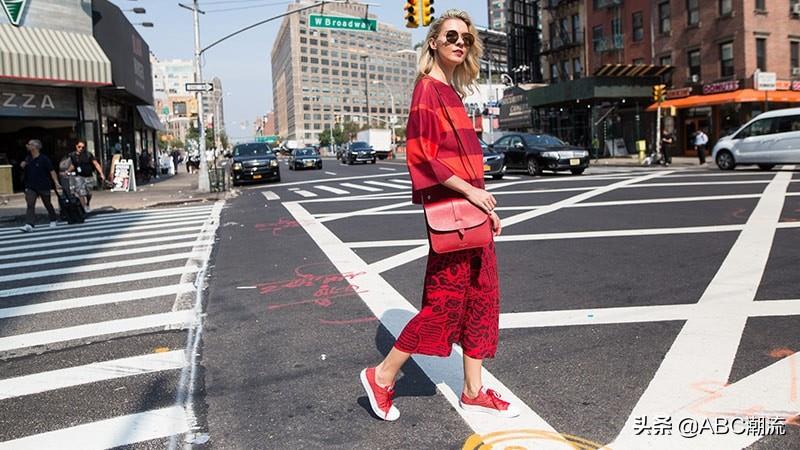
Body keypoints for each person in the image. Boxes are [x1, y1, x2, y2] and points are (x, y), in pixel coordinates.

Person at [359, 9, 517, 422]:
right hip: (454, 217)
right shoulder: (428, 90)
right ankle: (382, 375)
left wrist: (483, 207)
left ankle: (473, 390)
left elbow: (463, 161)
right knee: (443, 305)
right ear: (433, 42)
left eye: (466, 38)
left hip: (471, 214)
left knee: (482, 298)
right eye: (451, 36)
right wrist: (472, 194)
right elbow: (424, 157)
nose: (459, 43)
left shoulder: (452, 92)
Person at [19, 139, 61, 232]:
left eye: (29, 144)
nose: (27, 146)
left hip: (43, 184)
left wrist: (56, 182)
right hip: (30, 185)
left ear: (35, 147)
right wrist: (23, 165)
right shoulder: (28, 158)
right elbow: (23, 168)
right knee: (30, 204)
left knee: (47, 203)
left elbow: (52, 171)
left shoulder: (44, 159)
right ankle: (29, 224)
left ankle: (53, 219)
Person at [68, 140, 106, 213]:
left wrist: (101, 173)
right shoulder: (73, 155)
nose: (81, 149)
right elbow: (73, 165)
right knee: (81, 192)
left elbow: (95, 164)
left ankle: (87, 203)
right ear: (76, 146)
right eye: (79, 147)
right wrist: (68, 171)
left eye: (83, 147)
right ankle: (84, 207)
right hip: (79, 176)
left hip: (88, 176)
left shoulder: (88, 154)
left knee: (88, 193)